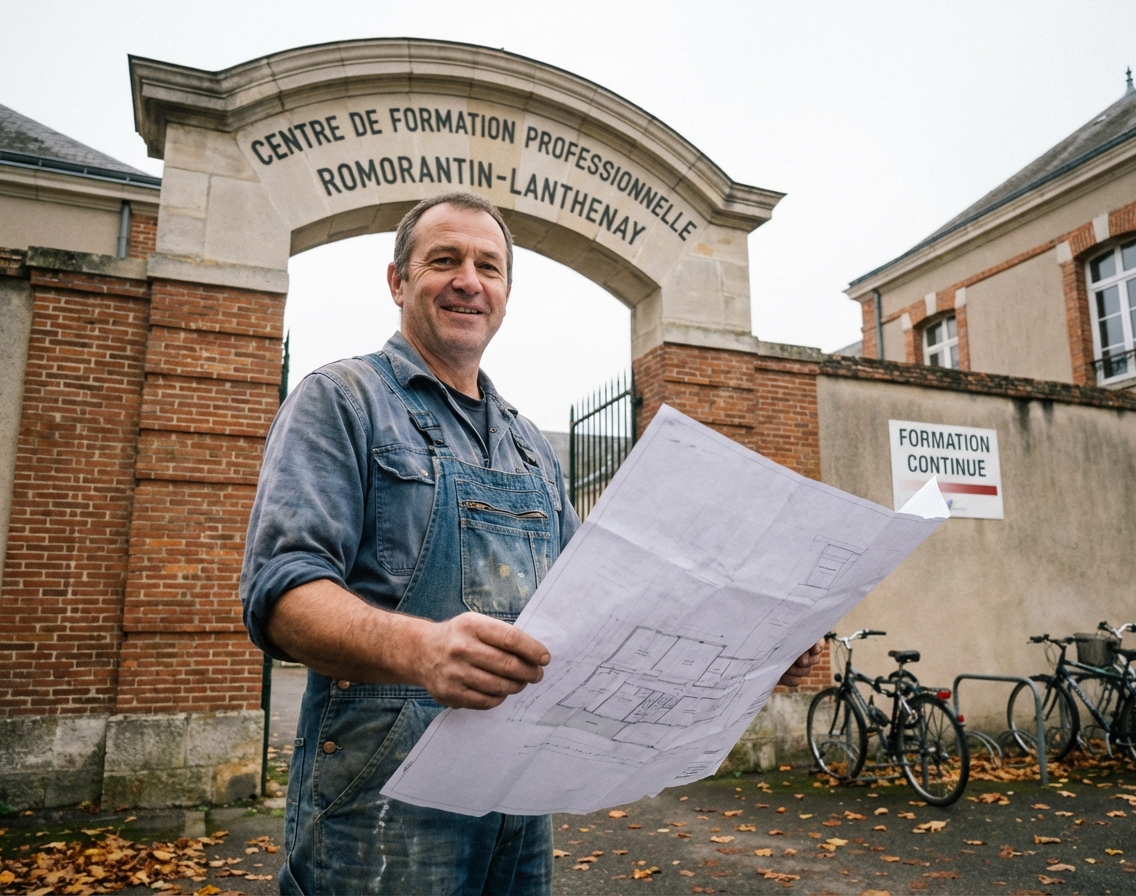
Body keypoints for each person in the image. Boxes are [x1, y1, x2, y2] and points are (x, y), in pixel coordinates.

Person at [240, 191, 823, 895]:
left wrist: (752, 653)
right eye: (444, 260)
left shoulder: (527, 446)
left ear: (506, 294)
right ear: (397, 281)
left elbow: (602, 609)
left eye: (488, 266)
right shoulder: (341, 400)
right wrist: (420, 649)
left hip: (514, 805)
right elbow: (280, 593)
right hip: (378, 809)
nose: (469, 281)